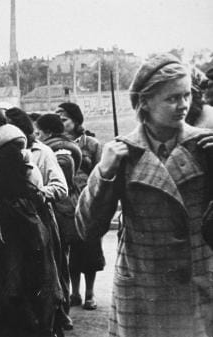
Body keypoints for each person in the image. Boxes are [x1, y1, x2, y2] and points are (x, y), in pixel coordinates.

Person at [77, 53, 213, 337]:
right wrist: (103, 173)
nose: (183, 105)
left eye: (186, 95)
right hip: (142, 292)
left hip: (198, 288)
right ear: (145, 101)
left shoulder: (205, 146)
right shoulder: (122, 153)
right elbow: (87, 228)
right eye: (172, 98)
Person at [0, 99, 63, 337]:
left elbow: (1, 190)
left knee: (15, 291)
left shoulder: (3, 149)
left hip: (15, 225)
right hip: (22, 221)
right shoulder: (7, 145)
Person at [57, 102, 105, 311]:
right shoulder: (57, 144)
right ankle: (74, 293)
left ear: (76, 120)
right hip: (65, 204)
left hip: (88, 203)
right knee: (71, 251)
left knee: (90, 250)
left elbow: (101, 174)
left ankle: (90, 294)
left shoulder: (92, 144)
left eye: (65, 119)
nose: (62, 123)